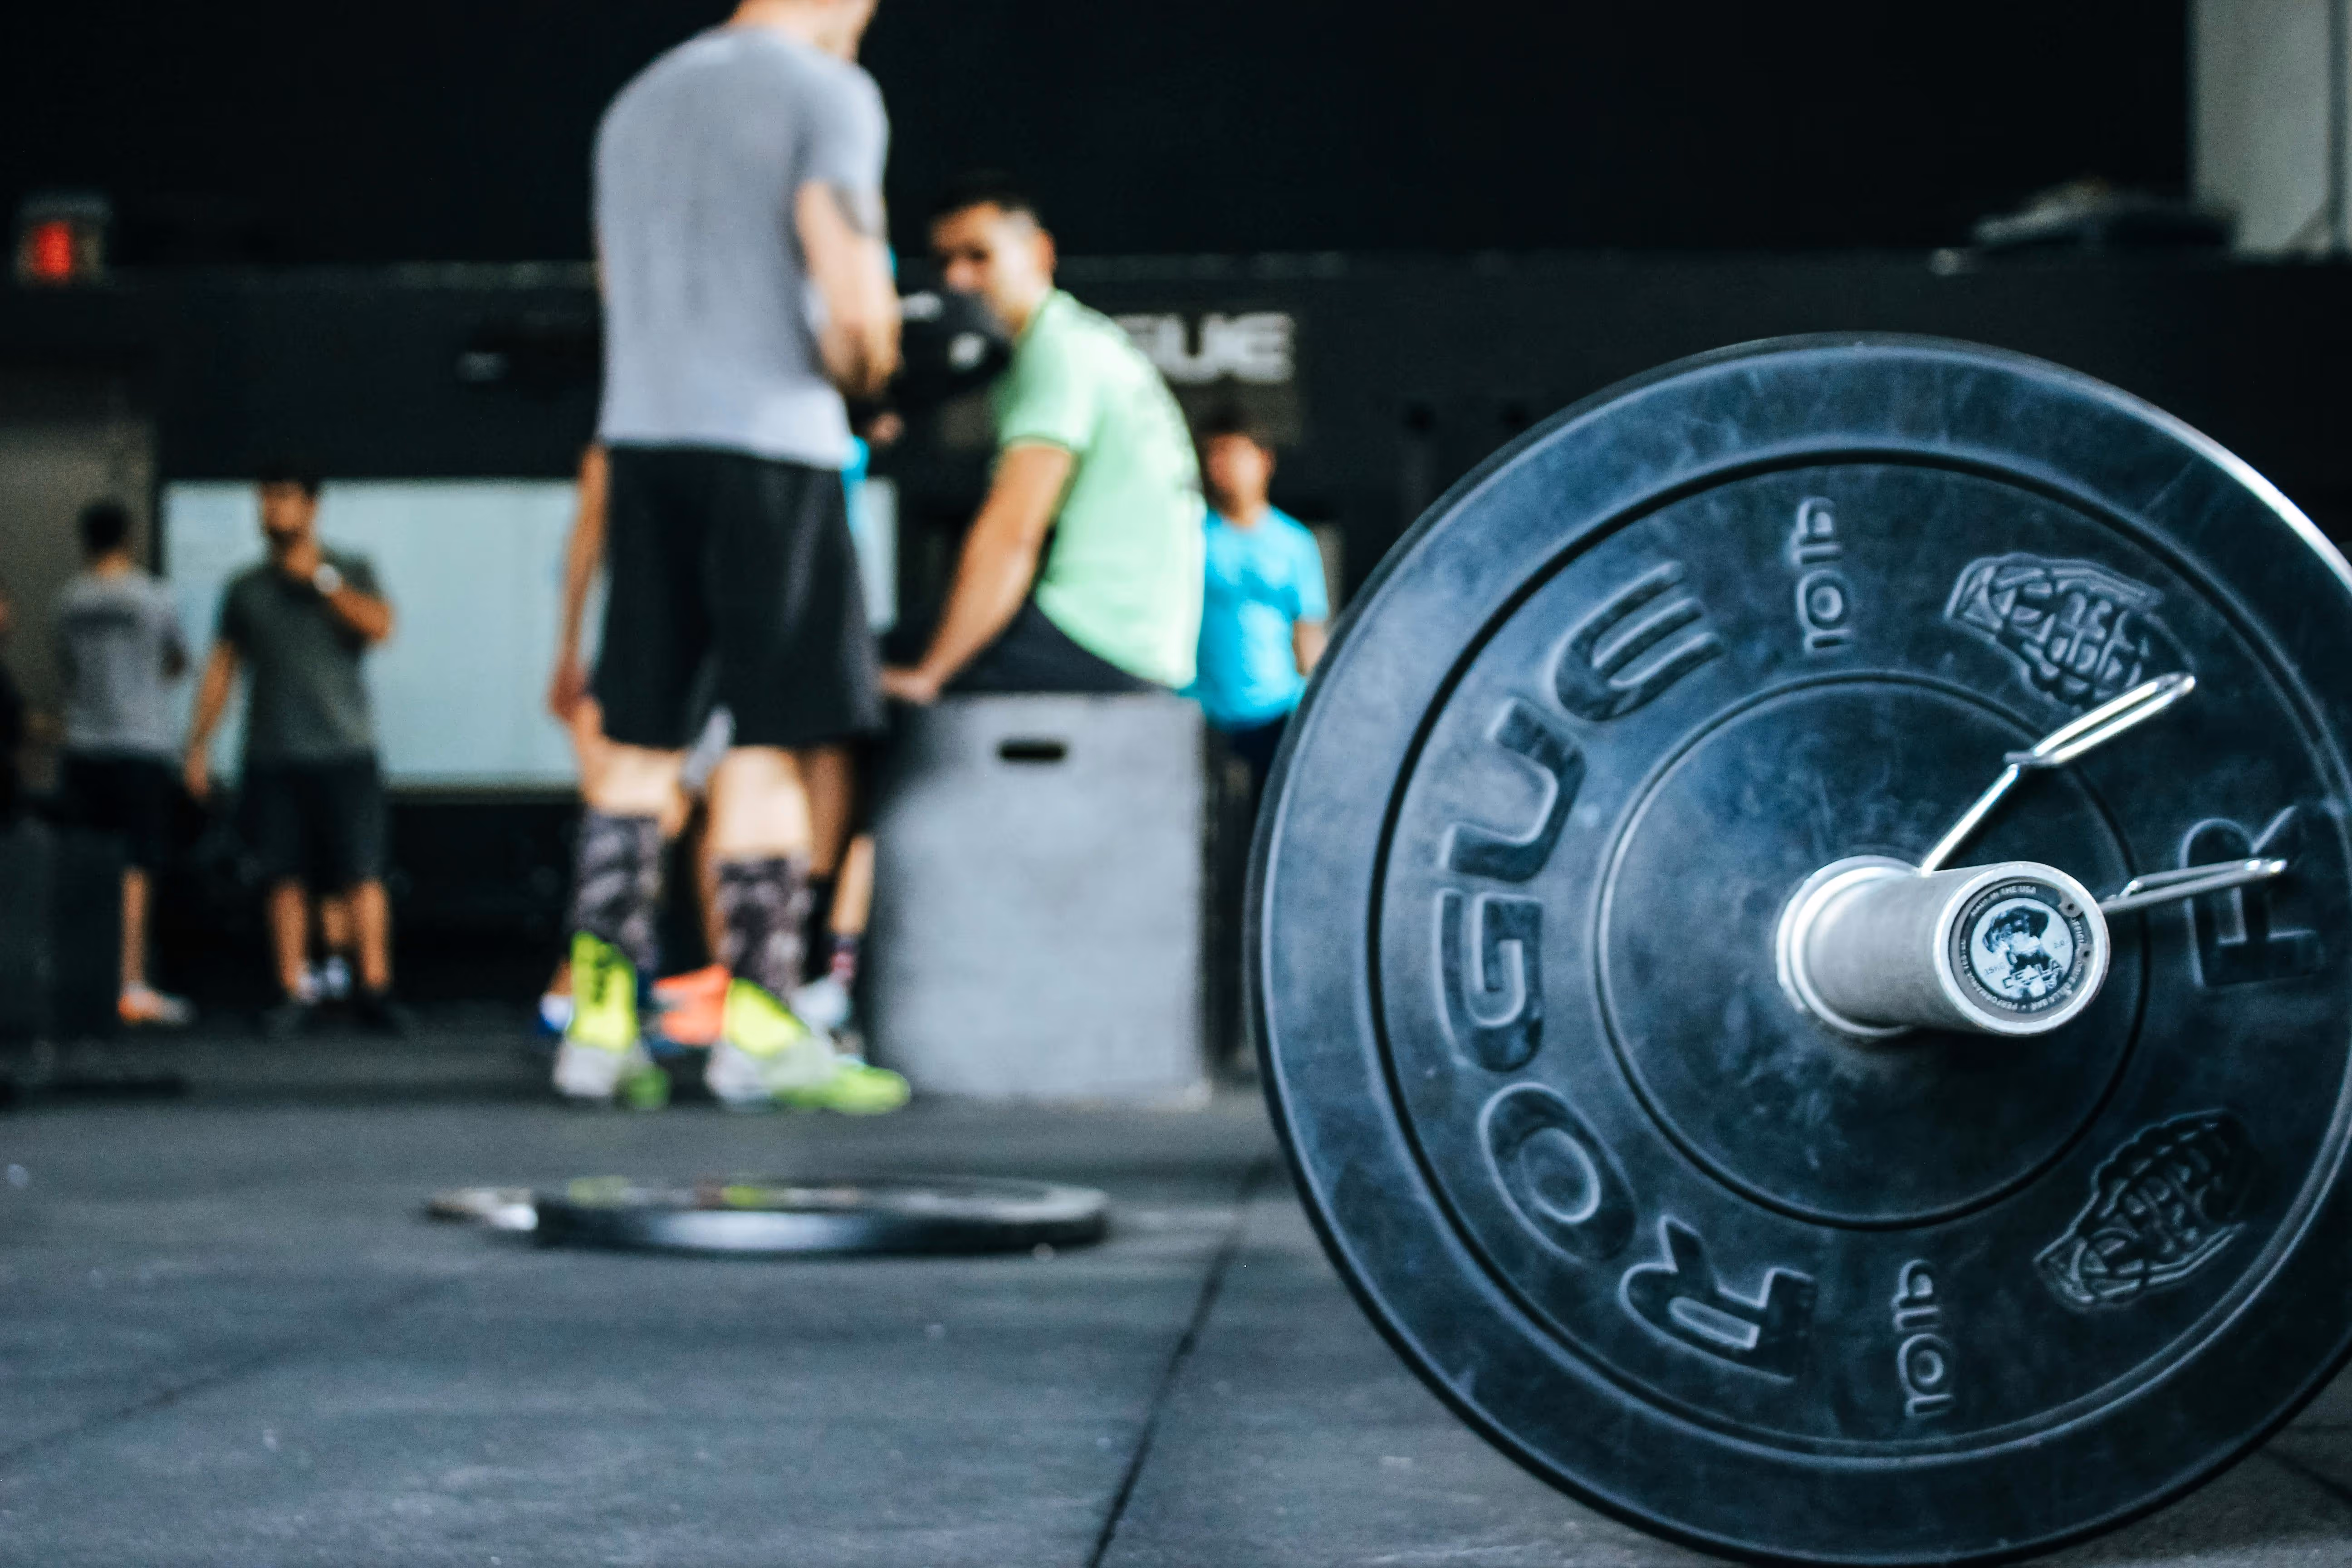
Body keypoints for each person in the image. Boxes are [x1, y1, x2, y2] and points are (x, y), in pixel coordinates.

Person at [558, 0, 908, 1112]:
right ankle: (758, 1031)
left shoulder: (634, 101)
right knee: (769, 738)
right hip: (774, 448)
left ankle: (599, 1025)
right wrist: (876, 373)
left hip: (646, 440)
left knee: (635, 741)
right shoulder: (828, 92)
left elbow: (622, 290)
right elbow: (851, 297)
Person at [879, 173, 1205, 704]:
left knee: (839, 678)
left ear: (1040, 253)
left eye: (978, 256)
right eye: (944, 263)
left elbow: (1013, 534)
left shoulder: (1054, 352)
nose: (957, 280)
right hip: (1146, 646)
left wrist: (930, 675)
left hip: (1097, 640)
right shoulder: (1083, 340)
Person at [183, 467, 408, 1036]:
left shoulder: (348, 570)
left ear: (310, 506)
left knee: (362, 872)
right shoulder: (246, 588)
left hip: (345, 748)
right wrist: (199, 744)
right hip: (274, 752)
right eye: (264, 498)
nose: (271, 509)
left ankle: (373, 990)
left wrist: (324, 583)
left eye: (284, 497)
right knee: (283, 876)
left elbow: (383, 627)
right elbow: (222, 669)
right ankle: (293, 990)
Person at [54, 501, 197, 1025]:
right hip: (140, 745)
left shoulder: (68, 599)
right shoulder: (152, 596)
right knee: (136, 867)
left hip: (84, 746)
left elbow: (69, 668)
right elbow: (177, 662)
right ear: (129, 538)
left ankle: (85, 984)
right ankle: (128, 985)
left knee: (87, 865)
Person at [1187, 411, 1329, 804]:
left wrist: (1321, 712)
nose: (1224, 467)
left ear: (1264, 460)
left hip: (1277, 716)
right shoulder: (1189, 539)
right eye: (1214, 455)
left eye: (1234, 453)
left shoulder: (1295, 543)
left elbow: (1309, 637)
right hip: (1204, 716)